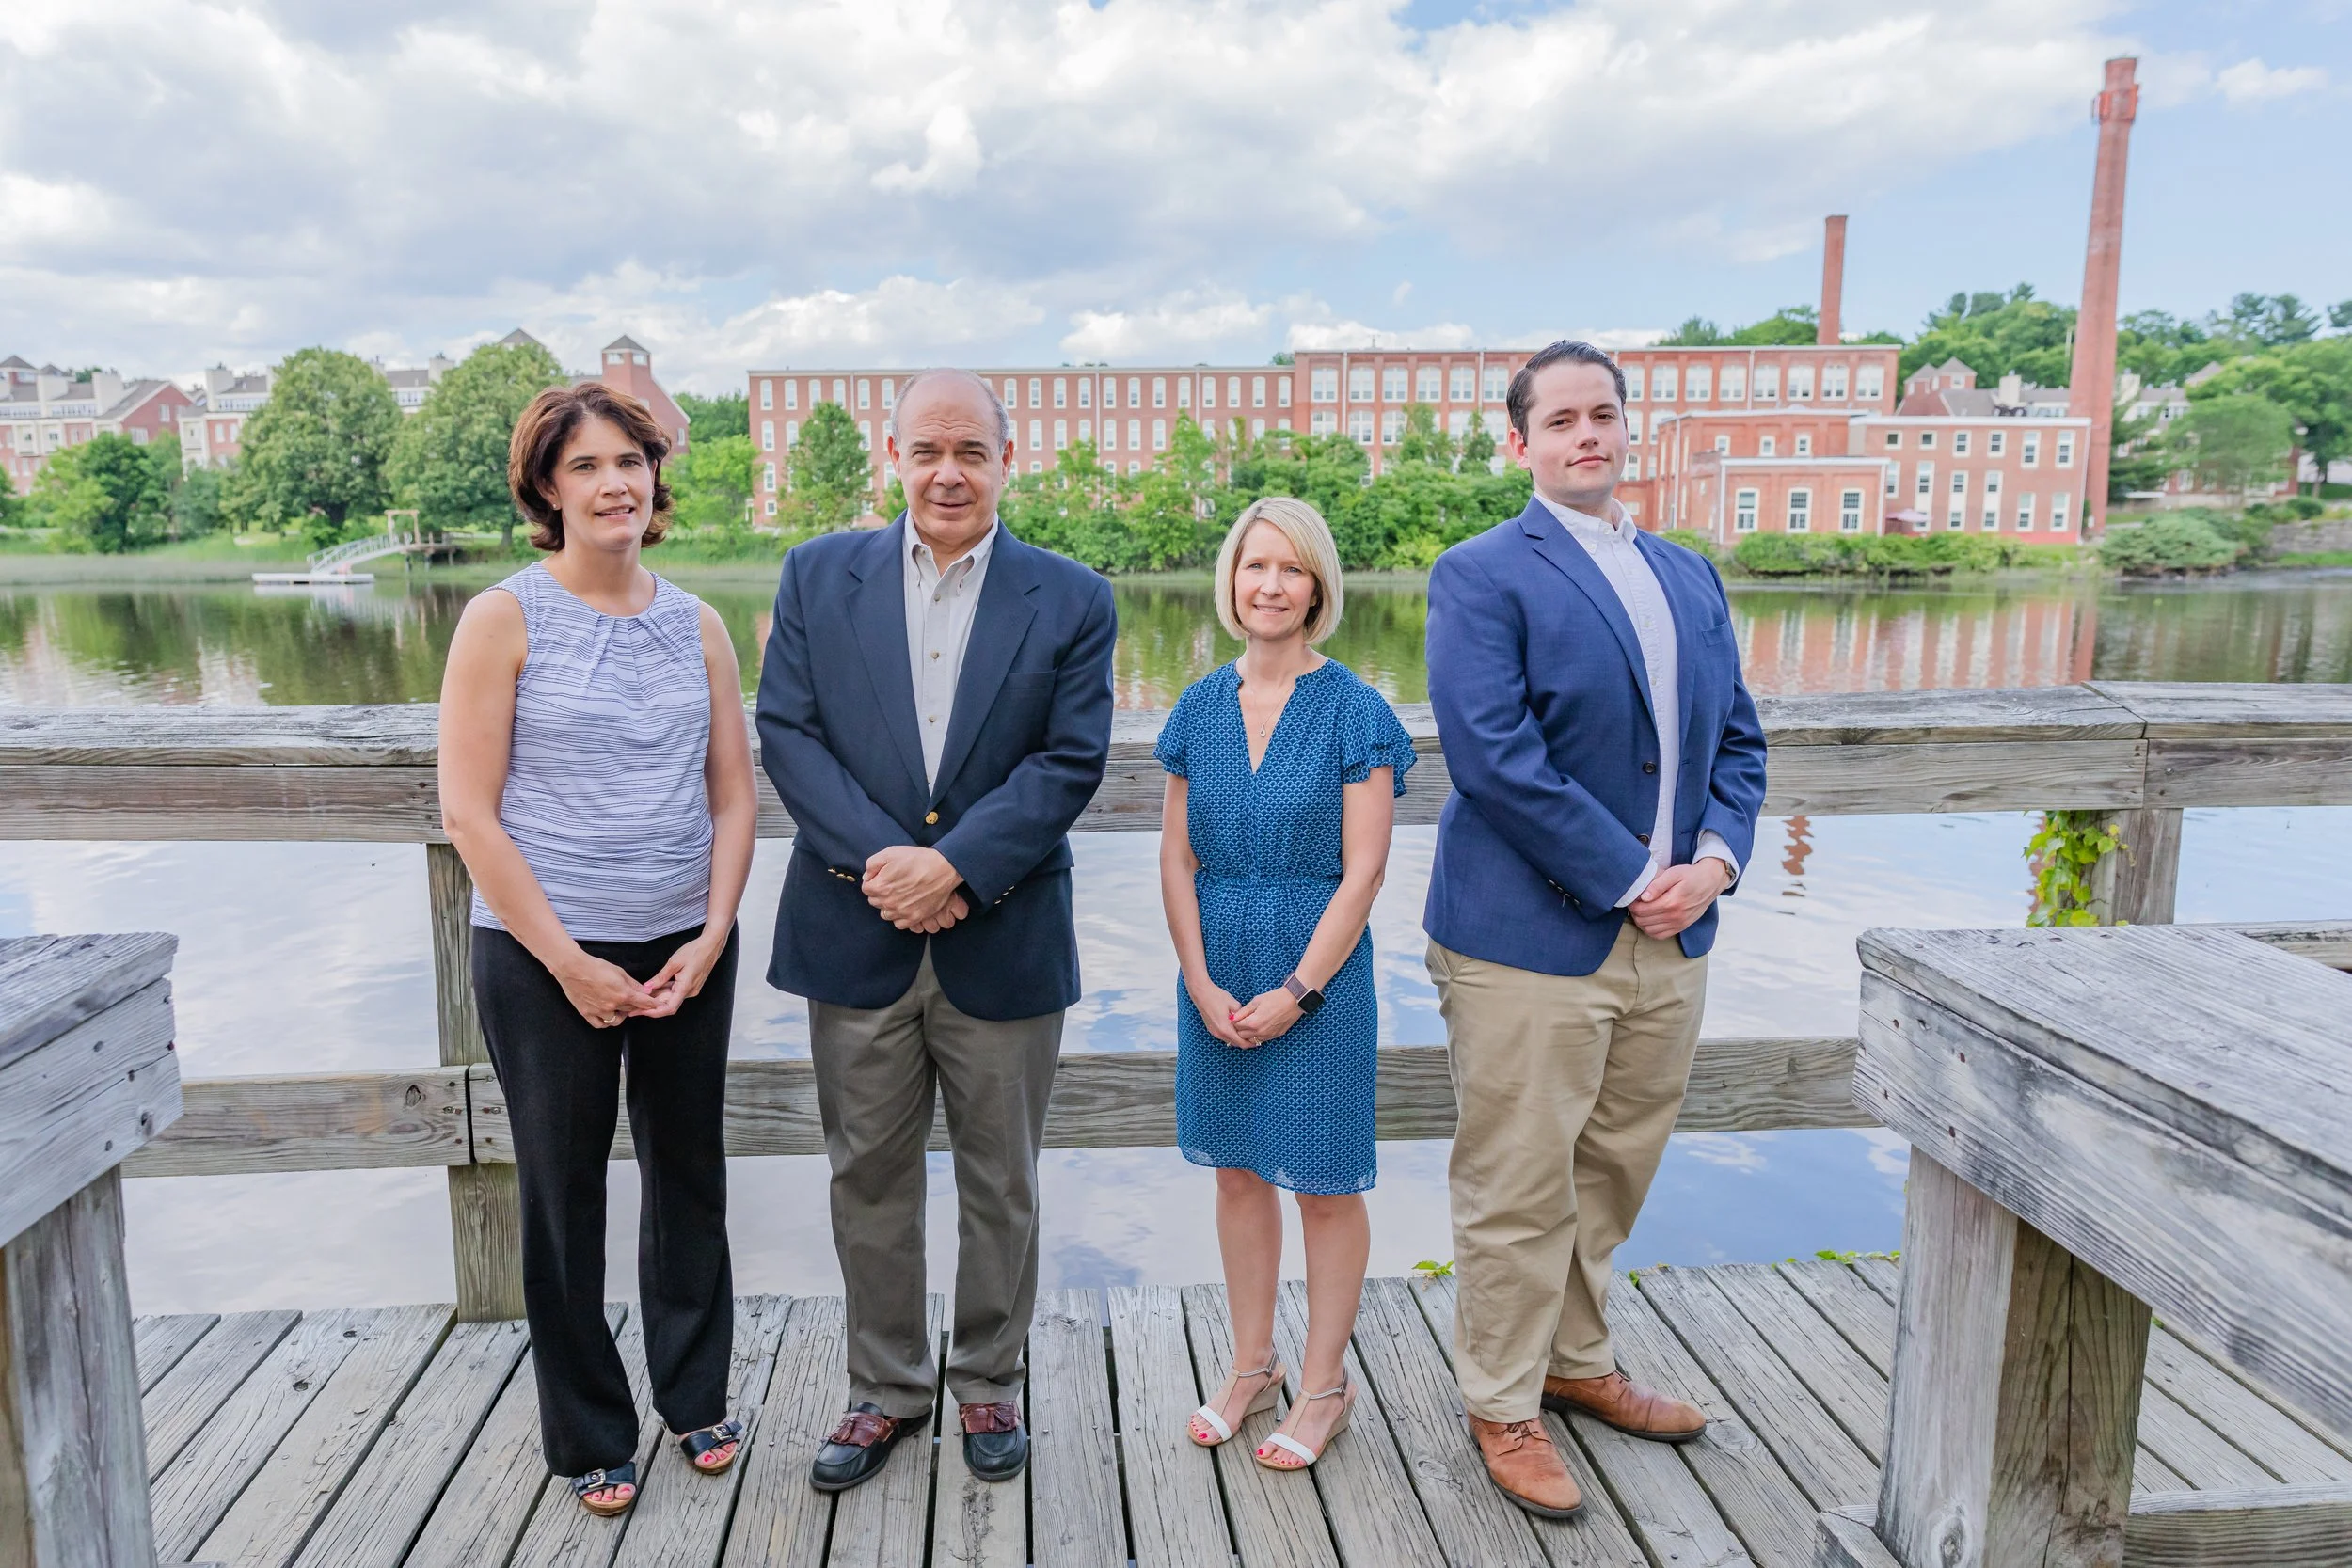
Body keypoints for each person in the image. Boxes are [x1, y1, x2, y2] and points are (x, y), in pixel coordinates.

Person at [1422, 340, 1768, 1520]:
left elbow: (1738, 745)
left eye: (1603, 415)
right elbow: (1493, 756)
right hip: (1531, 934)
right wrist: (1635, 873)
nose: (1587, 435)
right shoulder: (1479, 573)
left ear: (1629, 430)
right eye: (1560, 419)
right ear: (1518, 442)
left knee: (1614, 1165)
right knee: (1518, 1176)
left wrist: (1711, 863)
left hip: (1673, 936)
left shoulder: (1689, 575)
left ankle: (1575, 1362)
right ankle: (1502, 1401)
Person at [755, 369, 1116, 1493]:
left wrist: (955, 864)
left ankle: (990, 1379)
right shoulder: (818, 575)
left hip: (1000, 931)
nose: (947, 471)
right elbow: (790, 734)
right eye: (926, 450)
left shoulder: (1071, 596)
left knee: (1001, 1176)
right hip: (854, 929)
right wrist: (890, 867)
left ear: (1010, 460)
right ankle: (885, 1389)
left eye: (971, 449)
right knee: (866, 1170)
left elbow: (1069, 759)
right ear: (894, 458)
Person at [438, 382, 758, 1518]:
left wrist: (714, 930)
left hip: (682, 943)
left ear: (656, 476)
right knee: (563, 1190)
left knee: (688, 1174)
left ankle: (695, 1393)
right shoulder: (503, 616)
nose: (615, 482)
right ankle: (587, 1431)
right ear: (546, 486)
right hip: (541, 955)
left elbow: (732, 793)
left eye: (631, 460)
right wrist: (568, 960)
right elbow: (470, 812)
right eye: (586, 466)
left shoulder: (699, 623)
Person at [1155, 497, 1414, 1473]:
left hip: (1321, 972)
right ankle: (1250, 1363)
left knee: (1322, 1180)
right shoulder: (1196, 706)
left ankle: (1323, 1385)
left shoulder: (1354, 708)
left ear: (1317, 587)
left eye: (1291, 569)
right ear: (1230, 580)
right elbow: (1176, 860)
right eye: (1254, 565)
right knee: (1235, 1168)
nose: (1270, 584)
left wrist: (1300, 988)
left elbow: (1366, 870)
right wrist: (1198, 977)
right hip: (1215, 966)